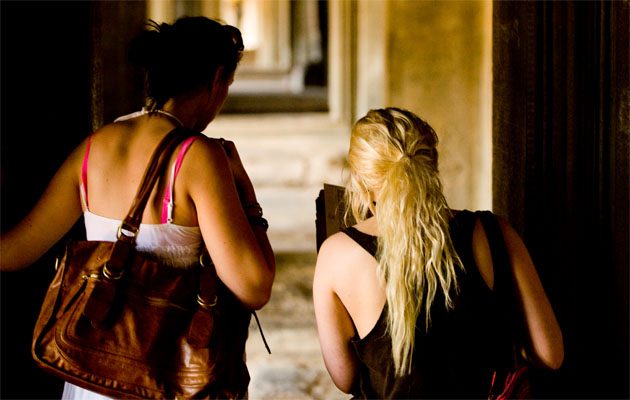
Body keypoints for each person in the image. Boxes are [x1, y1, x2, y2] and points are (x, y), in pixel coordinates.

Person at [0, 16, 275, 399]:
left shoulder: (95, 147)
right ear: (217, 79)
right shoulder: (198, 157)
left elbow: (13, 253)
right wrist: (247, 195)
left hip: (92, 378)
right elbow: (254, 287)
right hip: (162, 377)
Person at [313, 107, 563, 398]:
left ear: (361, 180)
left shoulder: (337, 255)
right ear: (432, 164)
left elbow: (344, 377)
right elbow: (551, 354)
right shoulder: (494, 232)